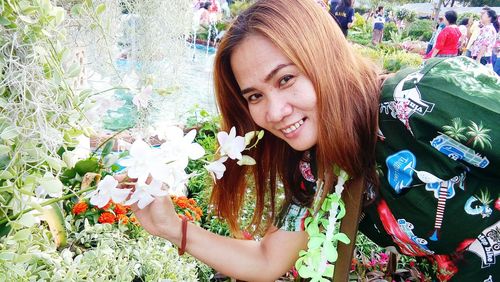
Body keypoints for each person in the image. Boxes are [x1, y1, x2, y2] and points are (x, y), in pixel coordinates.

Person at [123, 0, 499, 281]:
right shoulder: (317, 166)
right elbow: (267, 260)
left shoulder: (423, 99)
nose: (273, 112)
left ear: (324, 59)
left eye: (285, 79)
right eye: (254, 96)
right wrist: (172, 228)